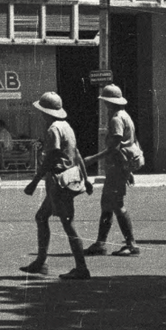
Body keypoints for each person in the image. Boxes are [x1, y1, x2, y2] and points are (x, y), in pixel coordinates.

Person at [21, 92, 92, 281]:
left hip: (58, 182)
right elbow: (76, 153)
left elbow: (51, 158)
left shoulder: (53, 129)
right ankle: (40, 262)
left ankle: (81, 267)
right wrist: (87, 178)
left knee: (67, 223)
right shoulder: (66, 126)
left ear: (45, 112)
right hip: (68, 179)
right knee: (42, 217)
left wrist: (34, 182)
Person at [82, 84, 140, 257]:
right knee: (107, 205)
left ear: (108, 102)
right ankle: (100, 243)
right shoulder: (125, 116)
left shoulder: (116, 119)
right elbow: (128, 144)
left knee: (117, 205)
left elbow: (115, 147)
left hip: (116, 167)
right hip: (119, 167)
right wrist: (128, 170)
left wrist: (92, 159)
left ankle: (131, 244)